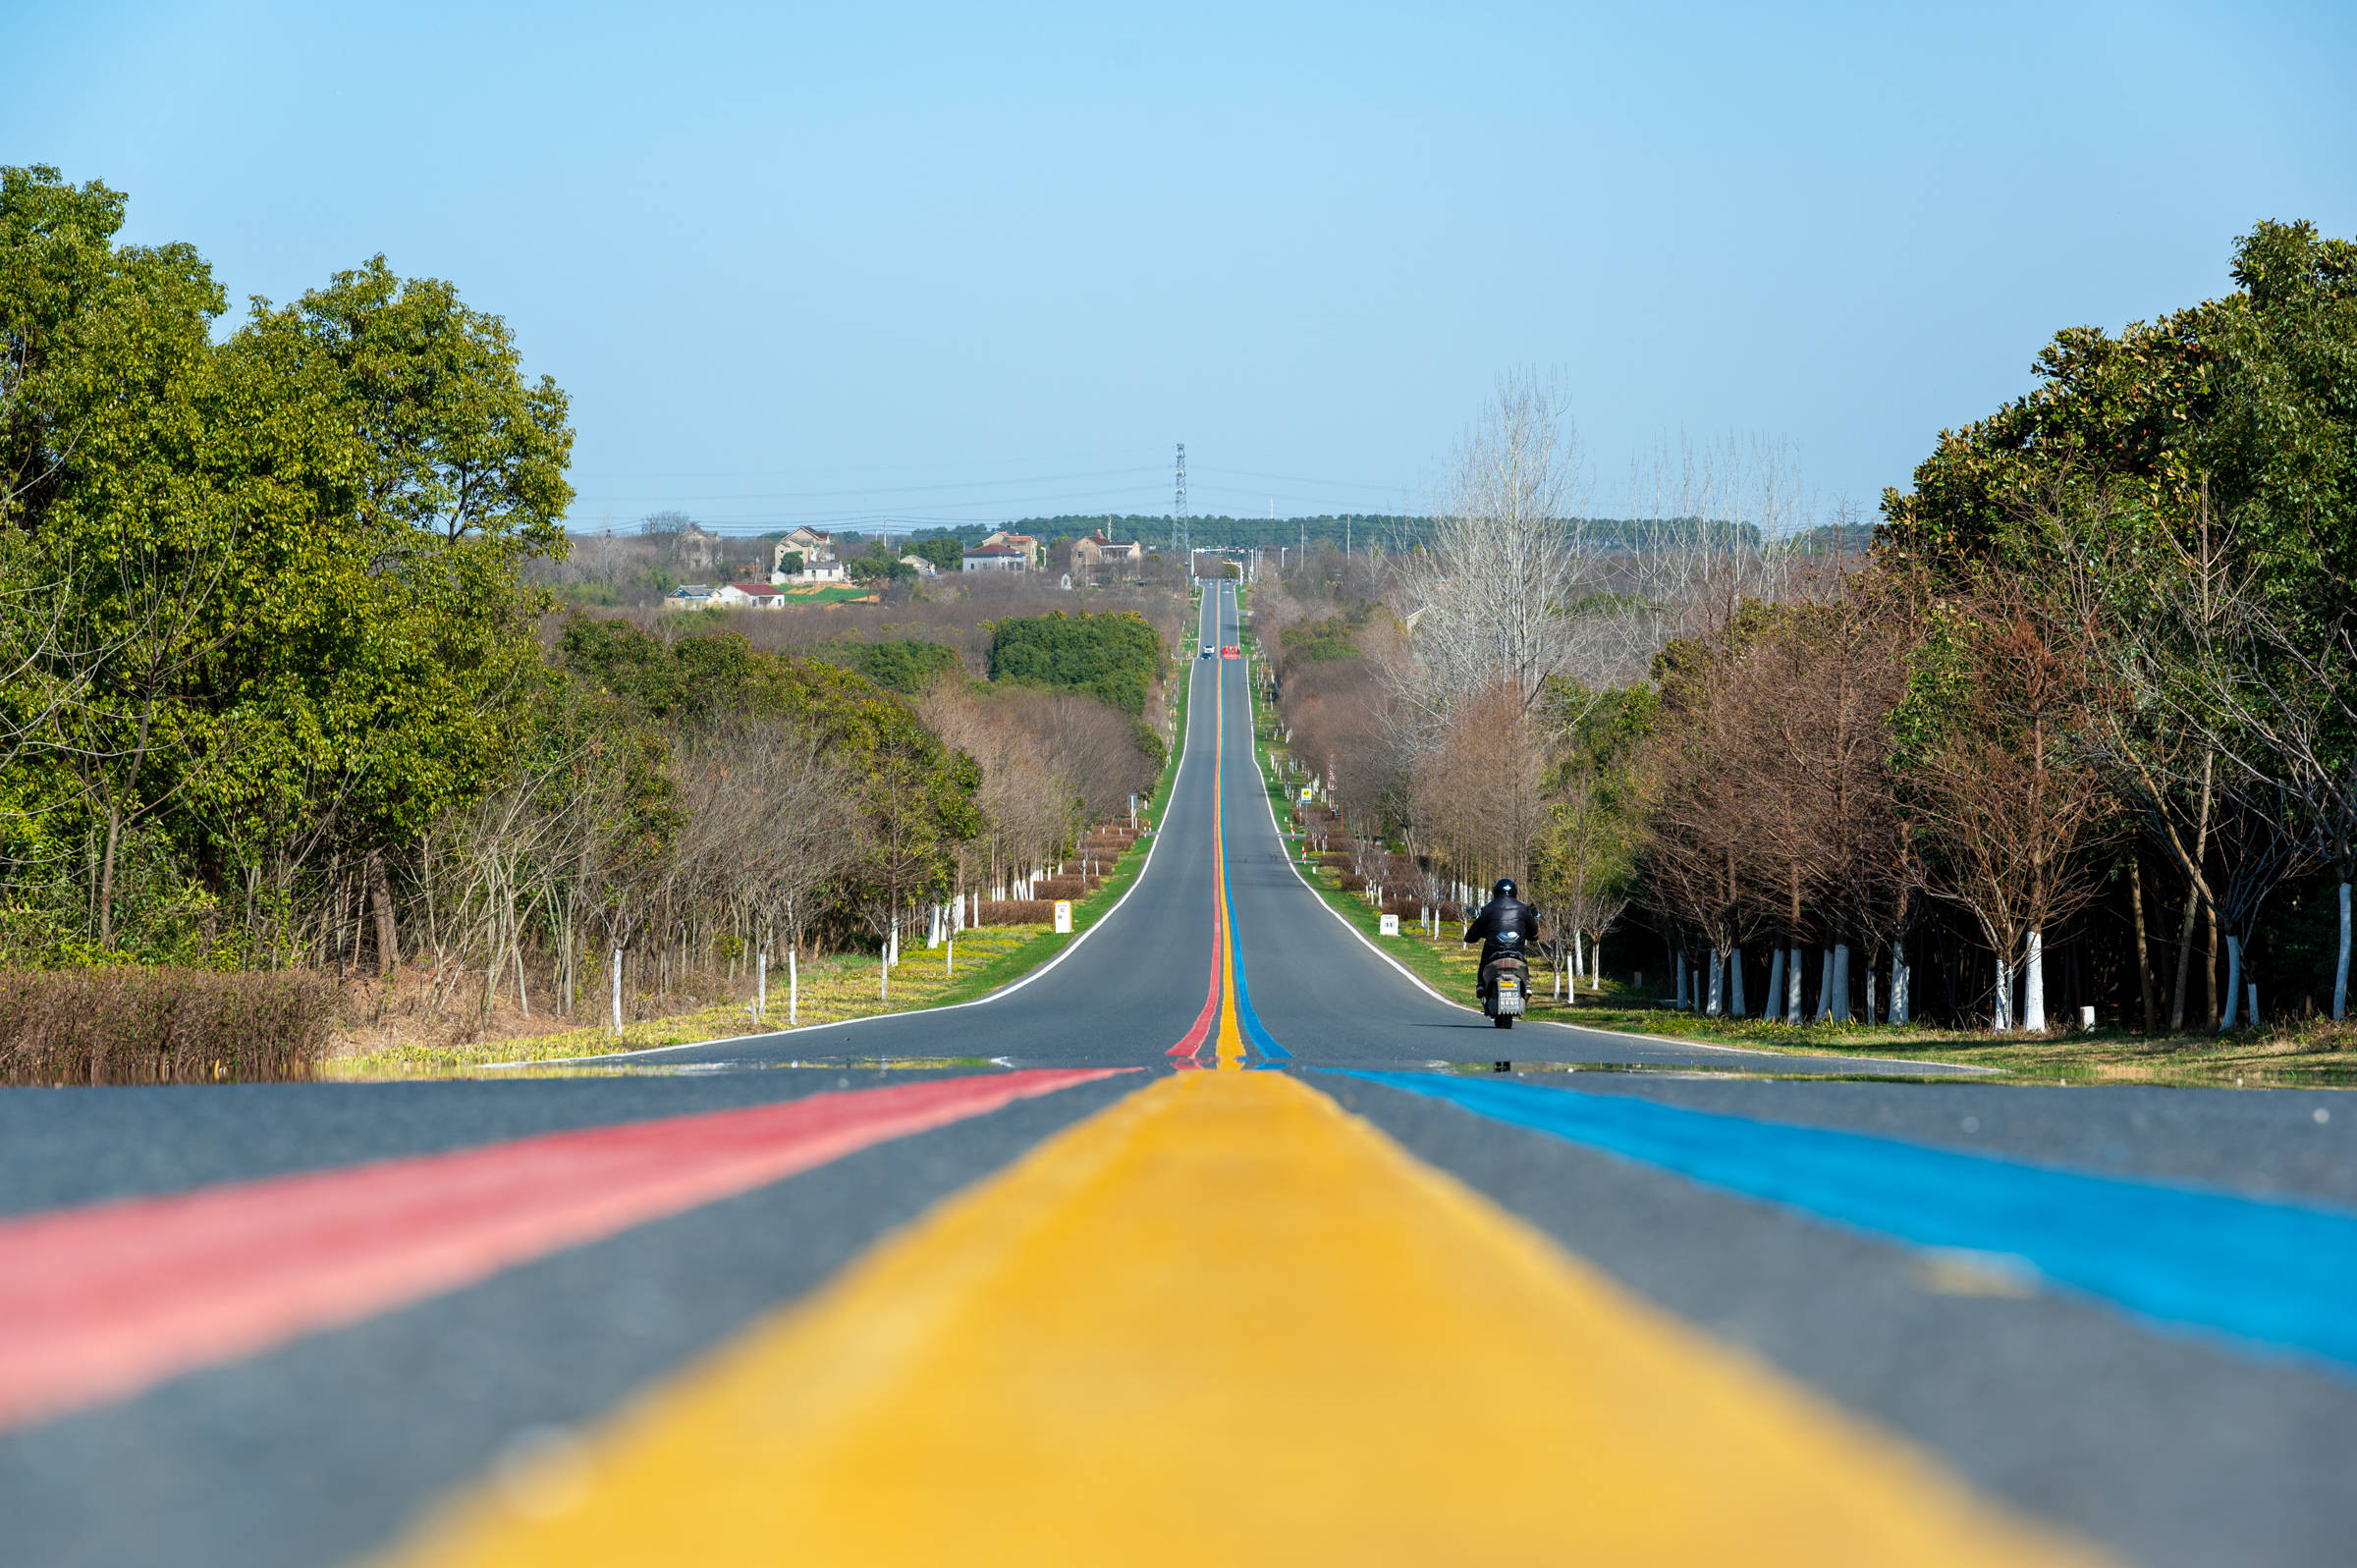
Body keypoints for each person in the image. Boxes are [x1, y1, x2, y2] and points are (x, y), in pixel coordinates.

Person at [1462, 877, 1541, 970]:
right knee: (1524, 969)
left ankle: (1481, 984)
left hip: (1493, 953)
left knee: (1484, 964)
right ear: (1515, 892)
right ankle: (1526, 984)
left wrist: (1471, 936)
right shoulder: (1524, 908)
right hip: (1517, 954)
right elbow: (1534, 934)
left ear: (1496, 892)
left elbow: (1472, 935)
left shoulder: (1488, 908)